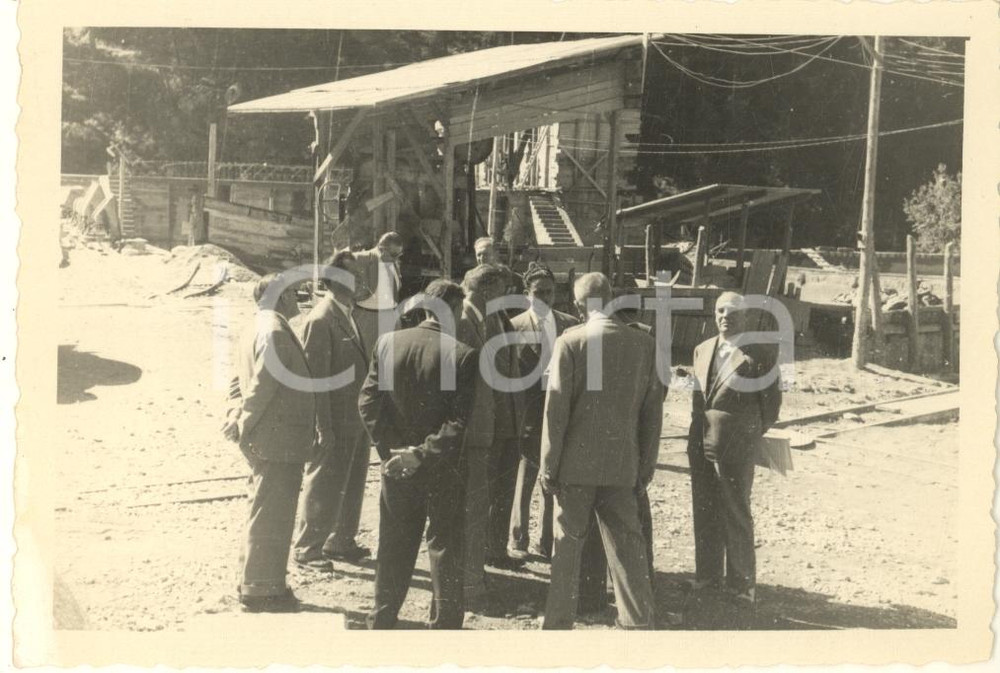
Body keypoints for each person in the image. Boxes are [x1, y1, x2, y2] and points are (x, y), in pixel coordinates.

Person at [540, 272, 662, 630]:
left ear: (579, 306)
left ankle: (558, 620)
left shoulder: (571, 341)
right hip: (623, 466)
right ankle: (638, 621)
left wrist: (548, 465)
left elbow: (555, 411)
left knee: (567, 546)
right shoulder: (642, 344)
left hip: (574, 468)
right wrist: (646, 466)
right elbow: (652, 414)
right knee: (628, 545)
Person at [359, 279, 478, 629]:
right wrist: (421, 454)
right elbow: (458, 422)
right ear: (453, 310)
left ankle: (382, 617)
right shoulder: (463, 354)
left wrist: (391, 452)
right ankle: (444, 626)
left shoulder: (387, 344)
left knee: (394, 541)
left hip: (396, 466)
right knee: (444, 543)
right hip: (442, 466)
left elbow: (367, 403)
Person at [223, 273, 317, 613]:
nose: (298, 298)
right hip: (278, 437)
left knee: (263, 508)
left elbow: (237, 382)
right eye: (293, 293)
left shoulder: (254, 327)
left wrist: (235, 414)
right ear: (279, 296)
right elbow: (263, 385)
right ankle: (262, 589)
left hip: (269, 436)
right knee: (273, 514)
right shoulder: (275, 331)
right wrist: (243, 422)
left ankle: (252, 580)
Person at [686, 291, 782, 608]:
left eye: (733, 311)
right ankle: (708, 575)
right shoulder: (701, 350)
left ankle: (742, 583)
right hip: (701, 440)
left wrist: (748, 433)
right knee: (704, 507)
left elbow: (771, 407)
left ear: (746, 317)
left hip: (737, 444)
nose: (725, 316)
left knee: (736, 510)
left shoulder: (760, 355)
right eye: (720, 311)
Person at [292, 250, 372, 569]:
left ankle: (341, 540)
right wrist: (322, 426)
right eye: (354, 275)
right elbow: (315, 380)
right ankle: (308, 548)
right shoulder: (321, 319)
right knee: (325, 480)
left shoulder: (349, 313)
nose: (362, 280)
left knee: (352, 480)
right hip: (335, 419)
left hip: (355, 416)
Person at [456, 264, 525, 602]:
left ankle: (494, 550)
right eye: (502, 289)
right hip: (480, 425)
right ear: (485, 289)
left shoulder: (498, 318)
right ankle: (473, 561)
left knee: (500, 490)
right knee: (476, 496)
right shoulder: (462, 320)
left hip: (506, 420)